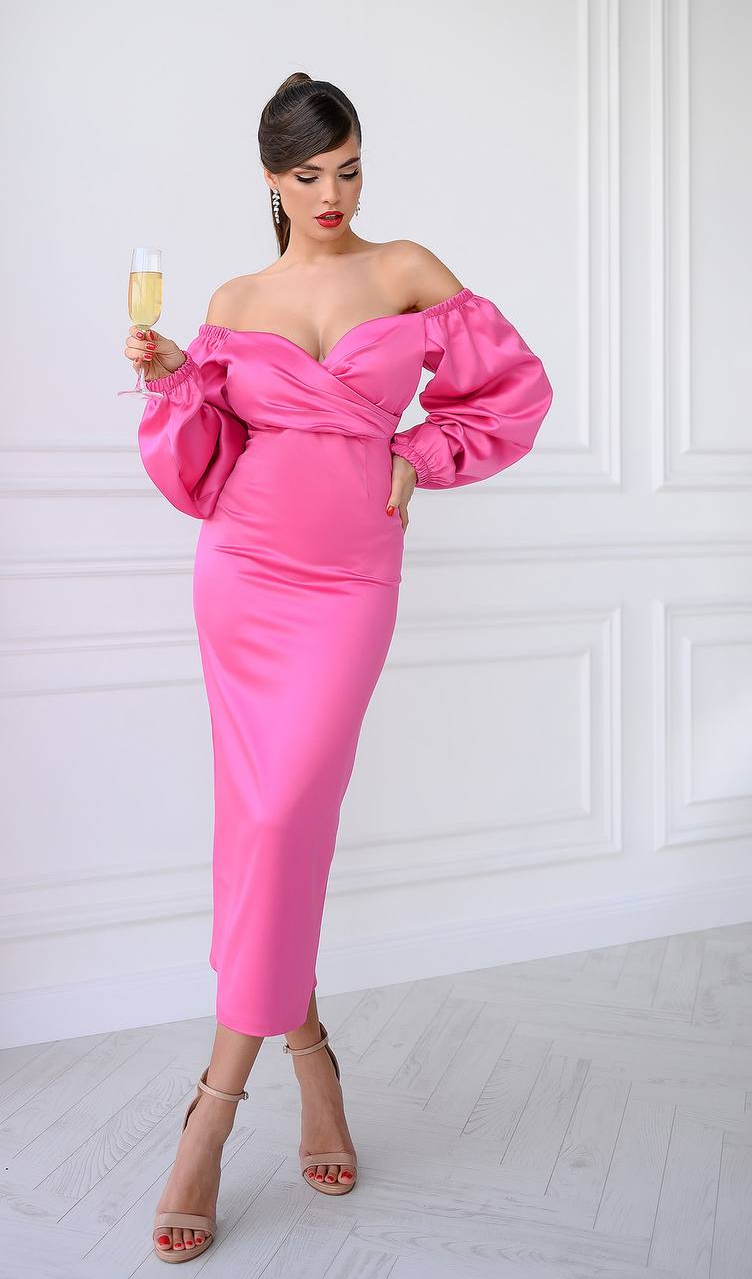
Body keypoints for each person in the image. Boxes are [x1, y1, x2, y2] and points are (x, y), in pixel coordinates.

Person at [125, 72, 554, 1263]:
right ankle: (305, 1064)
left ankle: (209, 1118)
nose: (333, 192)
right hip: (244, 573)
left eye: (349, 166)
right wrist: (169, 379)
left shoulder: (406, 267)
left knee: (282, 814)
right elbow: (198, 467)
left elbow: (512, 394)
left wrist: (420, 451)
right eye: (309, 173)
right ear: (269, 177)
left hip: (348, 581)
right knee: (266, 826)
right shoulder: (233, 296)